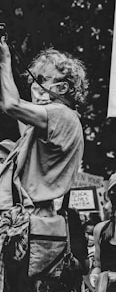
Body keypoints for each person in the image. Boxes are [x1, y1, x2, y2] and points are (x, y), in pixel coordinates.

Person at [0, 41, 87, 211]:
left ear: (62, 87)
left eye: (41, 80)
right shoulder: (59, 119)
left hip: (32, 217)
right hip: (31, 214)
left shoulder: (61, 114)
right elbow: (8, 102)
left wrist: (5, 60)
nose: (34, 85)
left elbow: (11, 105)